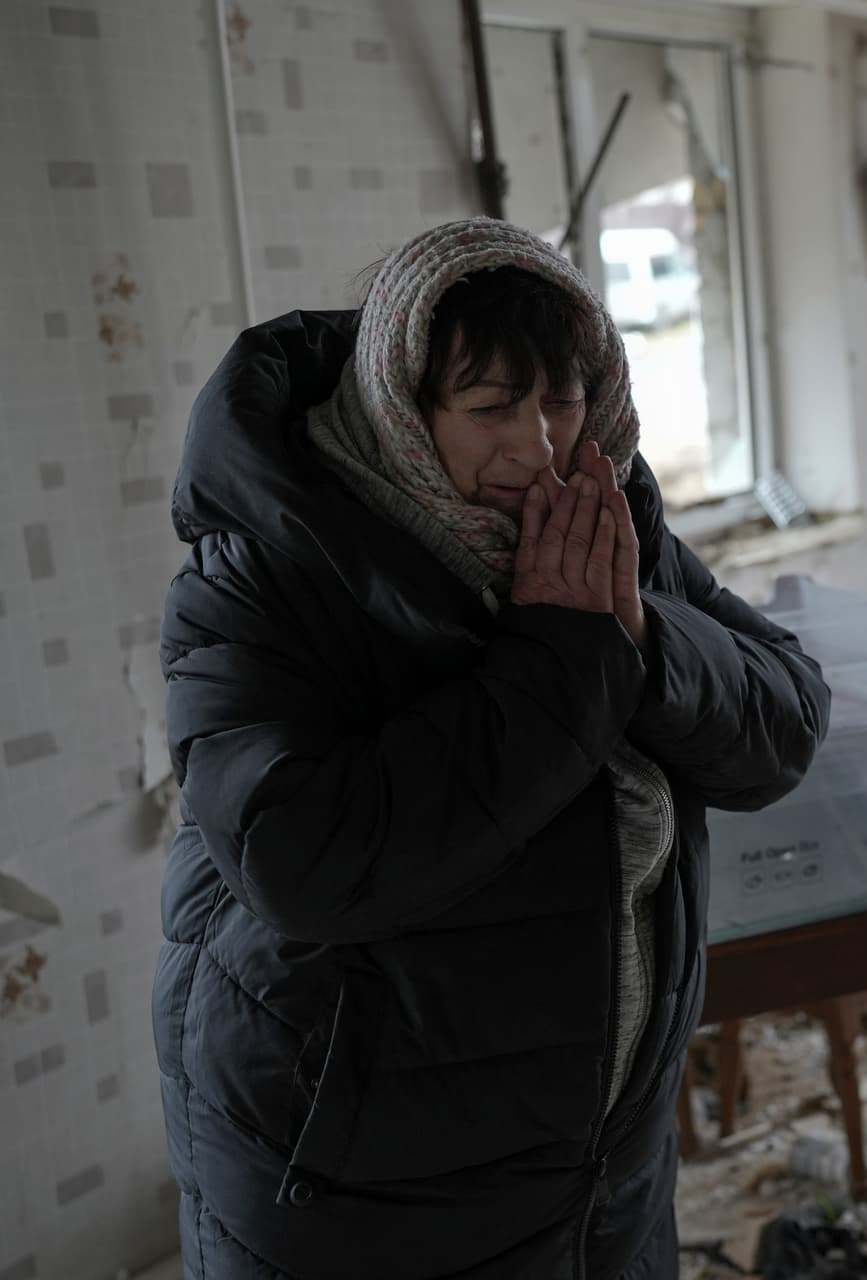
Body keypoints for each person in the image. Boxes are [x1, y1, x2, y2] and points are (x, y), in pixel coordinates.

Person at [155, 218, 830, 1278]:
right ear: (400, 404)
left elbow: (785, 723)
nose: (539, 447)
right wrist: (563, 656)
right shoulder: (267, 570)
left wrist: (642, 637)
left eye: (562, 399)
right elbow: (302, 859)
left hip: (600, 1169)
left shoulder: (603, 513)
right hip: (367, 1185)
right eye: (489, 408)